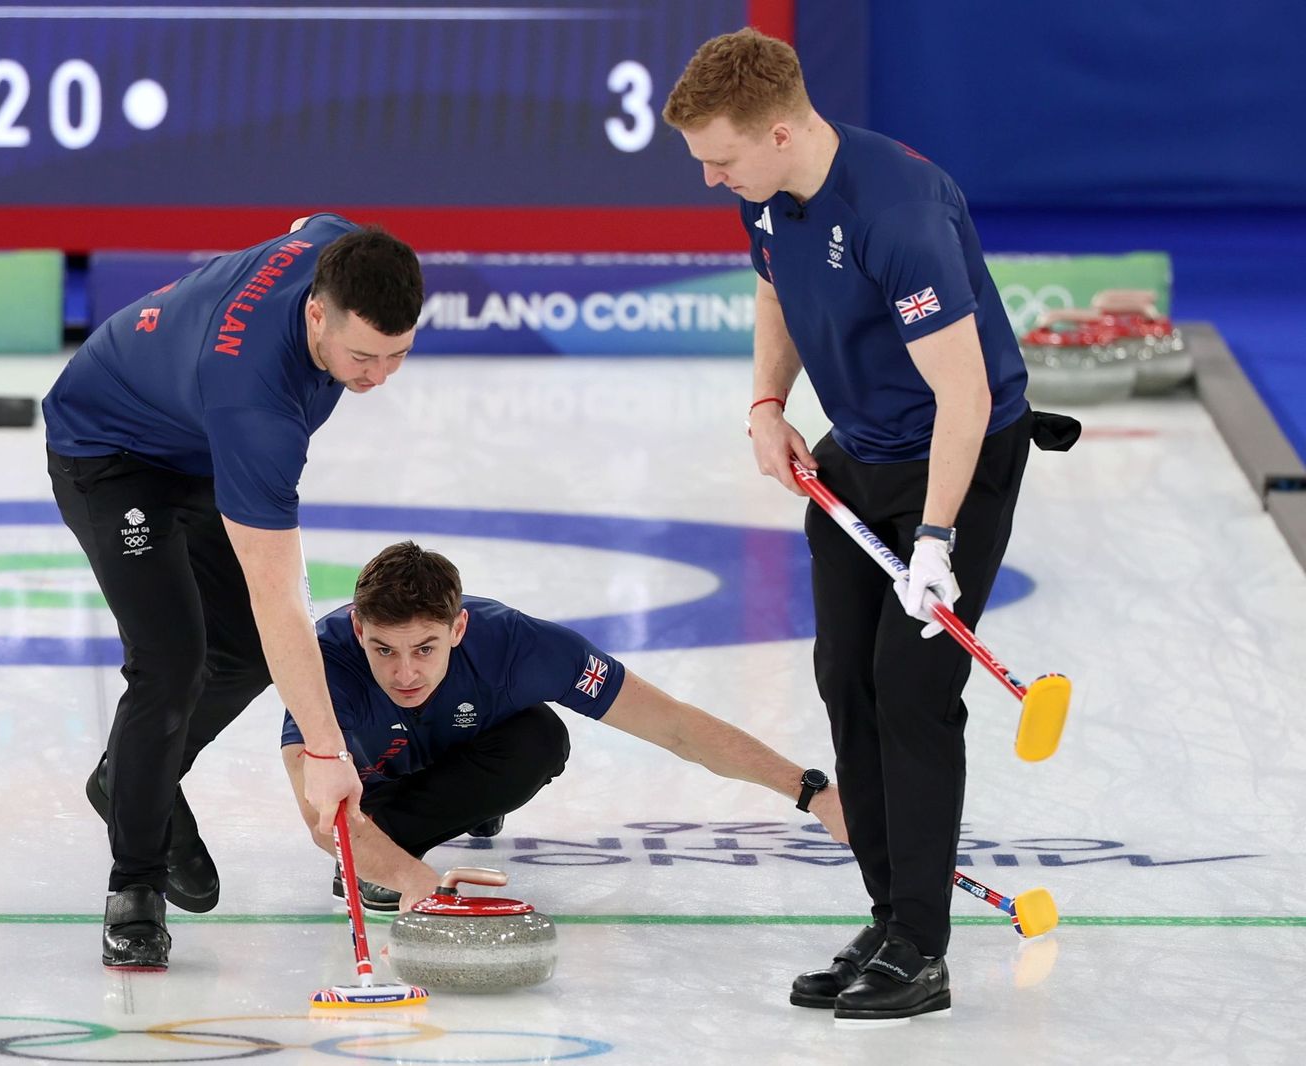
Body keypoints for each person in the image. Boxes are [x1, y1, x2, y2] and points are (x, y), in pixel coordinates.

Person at [661, 29, 1073, 1022]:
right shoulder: (766, 194)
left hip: (956, 462)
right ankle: (890, 917)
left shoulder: (897, 212)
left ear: (779, 129)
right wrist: (766, 403)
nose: (710, 179)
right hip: (859, 453)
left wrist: (936, 542)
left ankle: (921, 951)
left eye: (719, 158)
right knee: (846, 678)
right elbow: (775, 286)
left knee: (911, 685)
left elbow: (966, 398)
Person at [43, 214, 425, 970]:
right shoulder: (258, 404)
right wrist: (325, 750)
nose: (377, 377)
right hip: (111, 450)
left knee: (247, 653)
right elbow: (278, 594)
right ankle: (136, 887)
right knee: (171, 661)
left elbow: (306, 220)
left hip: (195, 437)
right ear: (316, 312)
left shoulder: (337, 249)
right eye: (361, 356)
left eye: (398, 355)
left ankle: (129, 779)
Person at [279, 541, 849, 914]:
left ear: (459, 628)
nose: (405, 673)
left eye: (425, 648)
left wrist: (812, 791)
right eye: (384, 649)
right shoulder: (322, 665)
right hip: (374, 787)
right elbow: (319, 819)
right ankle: (403, 834)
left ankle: (455, 808)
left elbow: (675, 727)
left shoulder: (525, 649)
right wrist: (412, 877)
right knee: (360, 828)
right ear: (357, 630)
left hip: (469, 748)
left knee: (541, 738)